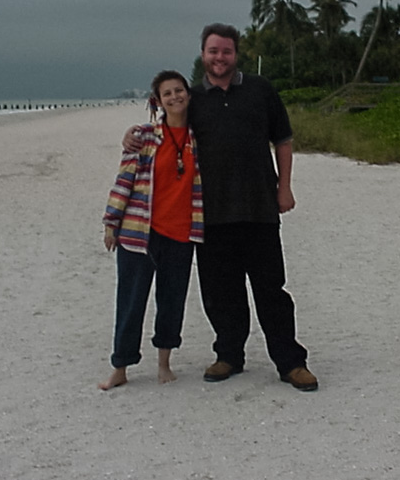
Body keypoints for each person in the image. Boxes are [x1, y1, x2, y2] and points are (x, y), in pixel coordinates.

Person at [123, 23, 317, 392]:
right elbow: (167, 131)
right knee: (219, 291)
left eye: (226, 51)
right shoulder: (193, 99)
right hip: (209, 214)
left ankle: (291, 361)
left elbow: (284, 141)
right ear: (203, 54)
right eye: (213, 51)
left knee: (271, 289)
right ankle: (229, 354)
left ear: (235, 54)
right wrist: (132, 135)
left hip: (260, 208)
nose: (219, 58)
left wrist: (285, 188)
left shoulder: (260, 90)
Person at [99, 70, 204, 389]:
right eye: (167, 94)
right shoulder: (143, 136)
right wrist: (110, 222)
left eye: (179, 90)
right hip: (138, 232)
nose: (175, 97)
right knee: (130, 302)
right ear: (157, 101)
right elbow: (124, 181)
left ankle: (164, 363)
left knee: (172, 301)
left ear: (188, 93)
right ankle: (121, 367)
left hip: (182, 234)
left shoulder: (201, 137)